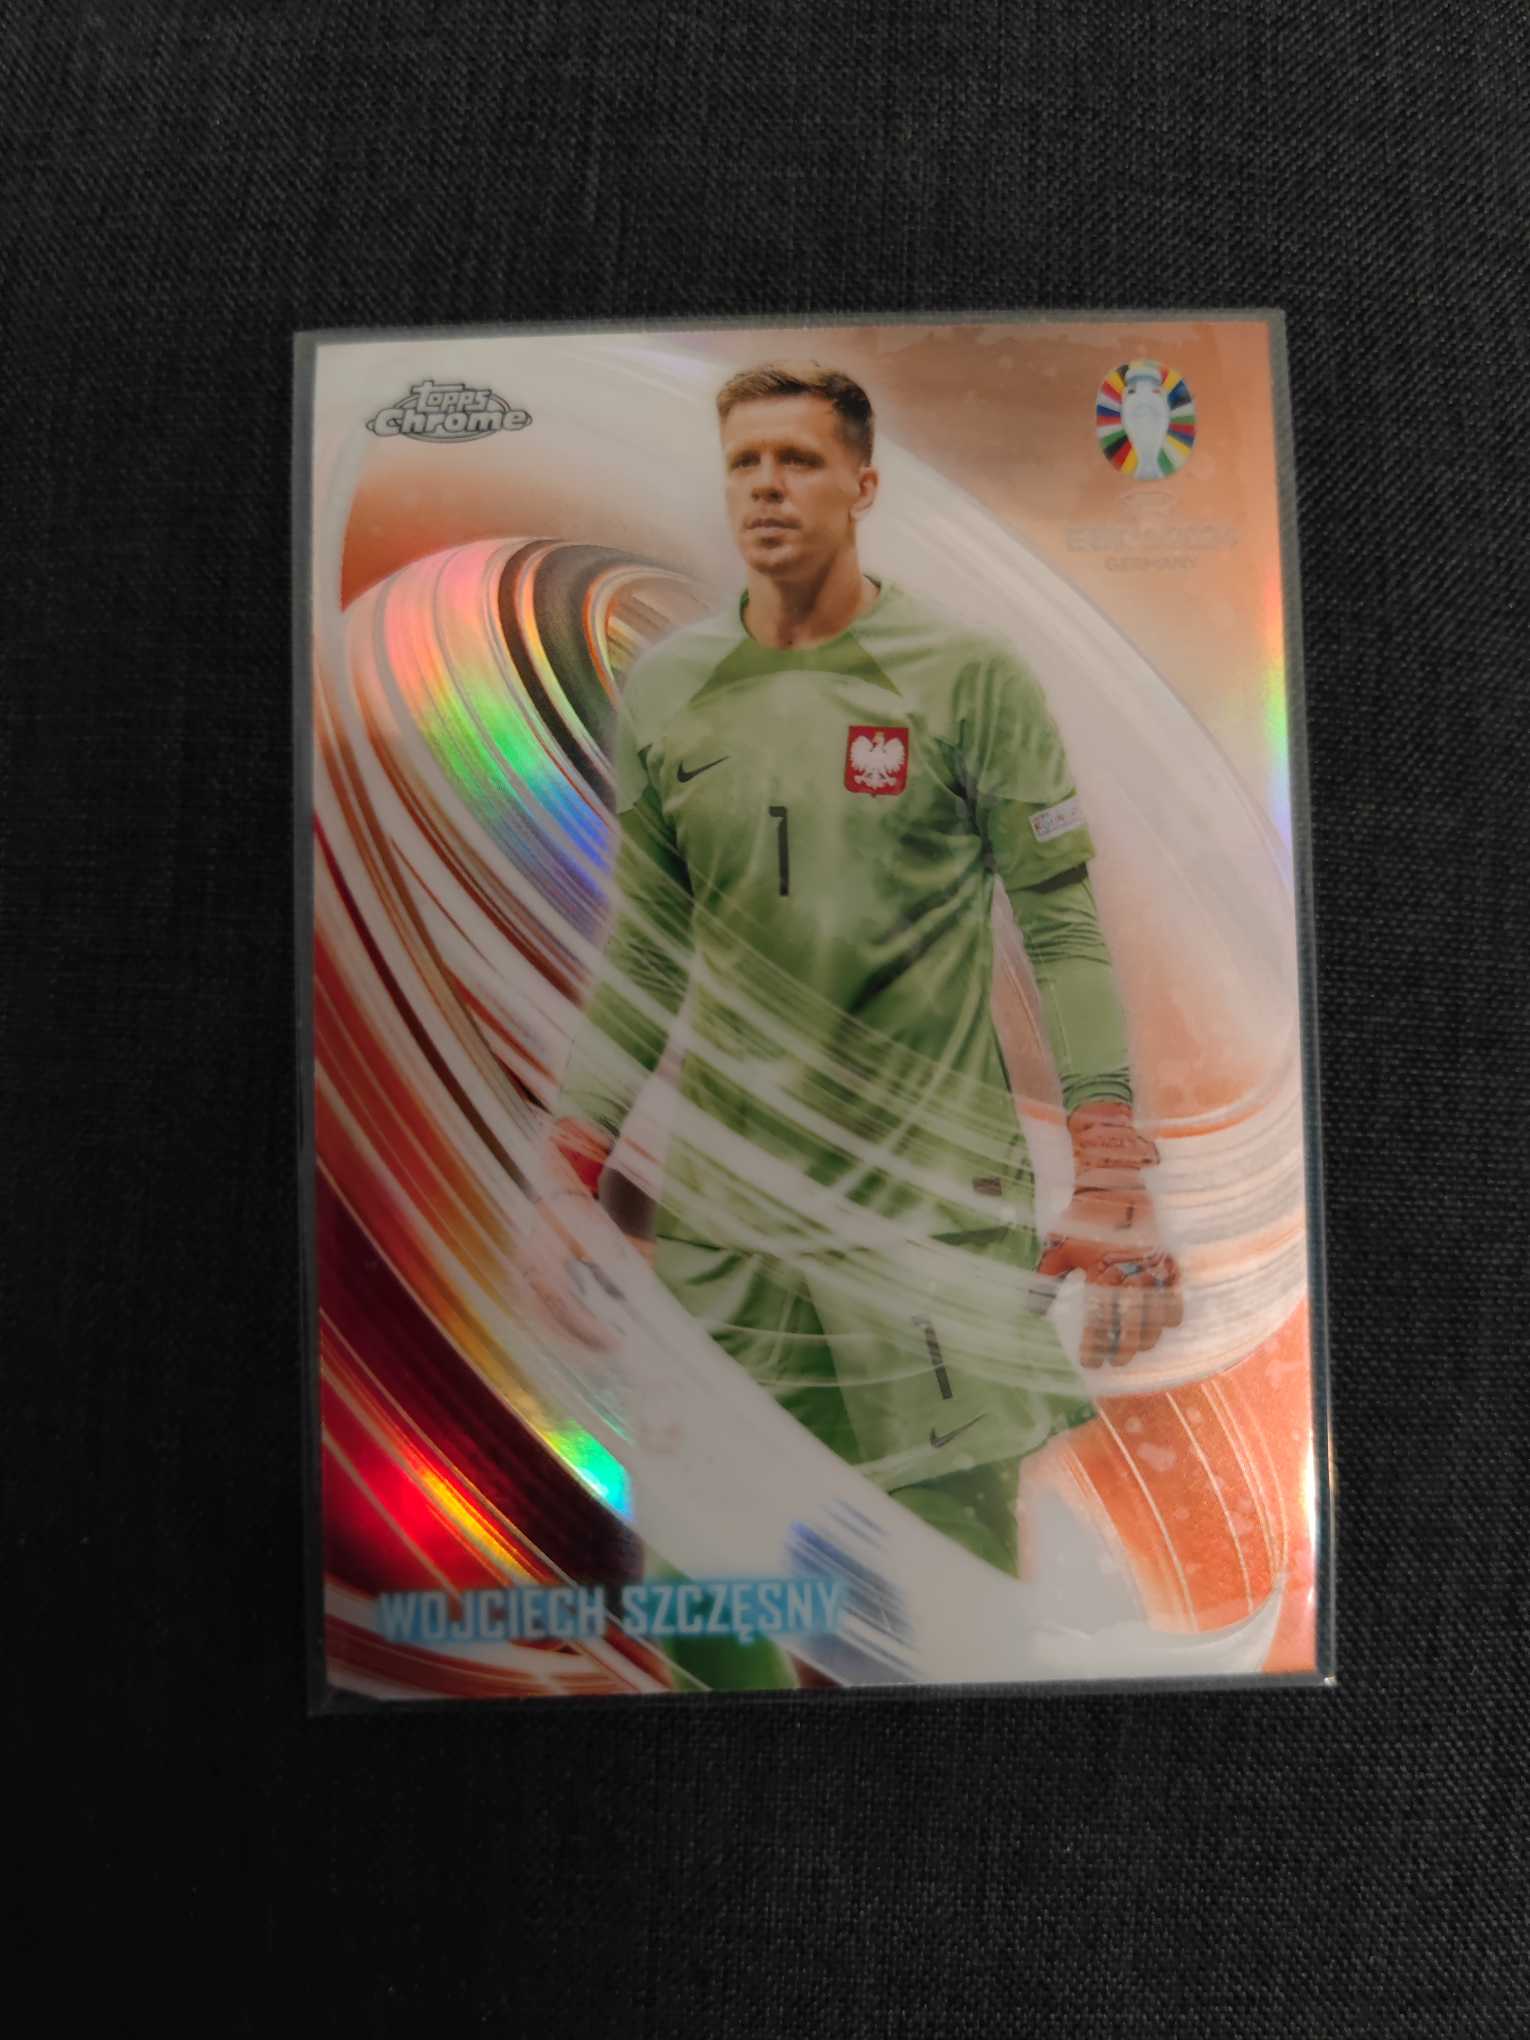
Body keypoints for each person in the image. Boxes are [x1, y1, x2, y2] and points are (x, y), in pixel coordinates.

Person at [523, 361, 1181, 1687]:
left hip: (925, 1218)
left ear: (864, 486)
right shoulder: (672, 688)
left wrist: (1109, 1167)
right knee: (701, 1590)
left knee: (956, 1606)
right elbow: (644, 945)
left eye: (800, 460)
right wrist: (565, 1164)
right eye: (745, 462)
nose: (767, 487)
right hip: (729, 1223)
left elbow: (1059, 923)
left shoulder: (968, 680)